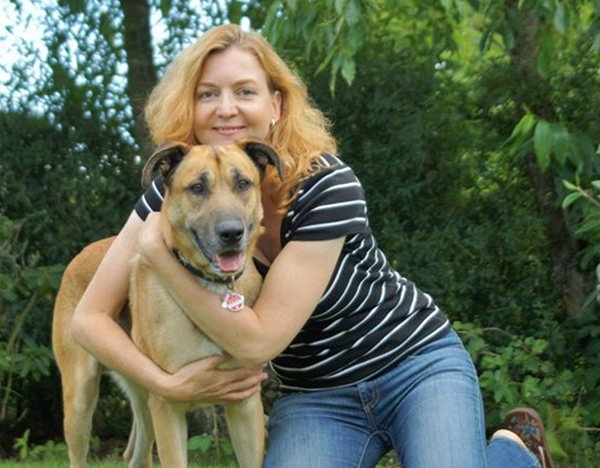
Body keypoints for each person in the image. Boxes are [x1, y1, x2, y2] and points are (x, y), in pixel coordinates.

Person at [72, 23, 556, 468]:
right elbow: (88, 318)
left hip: (413, 367)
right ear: (189, 107)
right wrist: (165, 384)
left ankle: (513, 455)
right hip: (316, 397)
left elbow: (259, 341)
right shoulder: (176, 188)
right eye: (207, 94)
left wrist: (157, 254)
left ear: (276, 106)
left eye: (245, 91)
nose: (226, 108)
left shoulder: (327, 184)